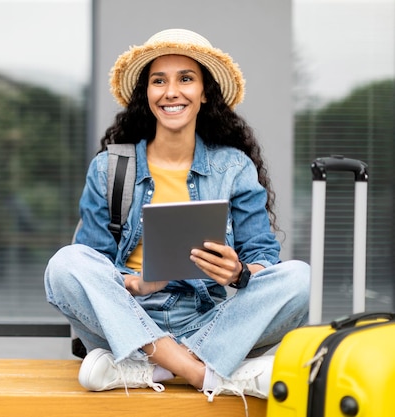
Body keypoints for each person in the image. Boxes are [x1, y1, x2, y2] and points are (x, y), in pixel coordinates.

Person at [44, 28, 310, 403]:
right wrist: (136, 283)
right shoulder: (110, 168)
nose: (172, 91)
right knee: (65, 263)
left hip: (211, 320)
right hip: (127, 316)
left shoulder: (233, 167)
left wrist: (239, 272)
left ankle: (149, 368)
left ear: (204, 93)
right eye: (158, 80)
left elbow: (264, 258)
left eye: (186, 78)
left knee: (299, 278)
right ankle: (204, 372)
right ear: (146, 95)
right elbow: (92, 262)